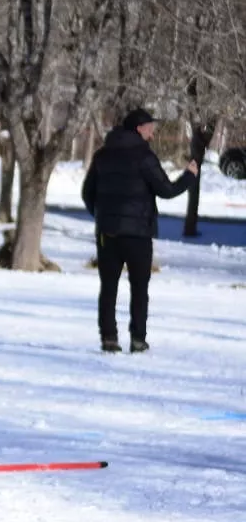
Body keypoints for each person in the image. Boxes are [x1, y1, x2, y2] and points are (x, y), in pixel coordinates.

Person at [82, 108, 198, 353]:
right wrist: (189, 176)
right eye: (150, 128)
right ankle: (137, 338)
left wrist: (103, 217)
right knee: (139, 288)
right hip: (138, 234)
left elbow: (87, 193)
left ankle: (109, 338)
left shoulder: (102, 155)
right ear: (139, 129)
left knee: (108, 287)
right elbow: (166, 190)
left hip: (108, 234)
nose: (153, 133)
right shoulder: (144, 157)